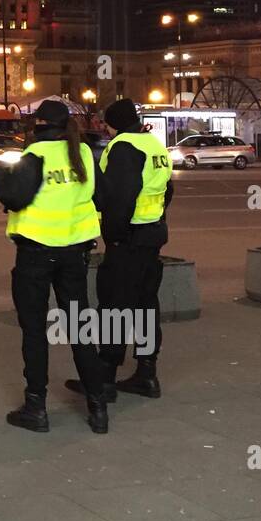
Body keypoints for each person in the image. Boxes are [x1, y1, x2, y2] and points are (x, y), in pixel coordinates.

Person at [0, 99, 109, 434]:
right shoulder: (83, 154)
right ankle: (98, 407)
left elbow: (12, 196)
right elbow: (99, 195)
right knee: (80, 328)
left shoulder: (35, 156)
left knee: (34, 331)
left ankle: (36, 407)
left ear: (39, 123)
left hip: (35, 254)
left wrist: (1, 173)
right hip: (75, 253)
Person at [67, 98, 173, 400]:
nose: (105, 129)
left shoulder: (124, 147)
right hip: (152, 235)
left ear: (114, 123)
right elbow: (167, 191)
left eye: (106, 123)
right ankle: (147, 373)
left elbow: (119, 198)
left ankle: (106, 376)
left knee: (114, 307)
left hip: (128, 239)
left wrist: (113, 235)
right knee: (145, 304)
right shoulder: (154, 144)